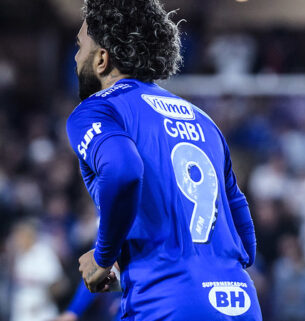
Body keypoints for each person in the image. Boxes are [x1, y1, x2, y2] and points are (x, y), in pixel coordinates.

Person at [66, 0, 261, 320]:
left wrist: (104, 258)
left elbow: (123, 171)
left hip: (164, 304)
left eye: (79, 46)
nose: (75, 58)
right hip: (239, 300)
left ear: (102, 59)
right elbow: (244, 233)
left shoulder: (98, 110)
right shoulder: (204, 121)